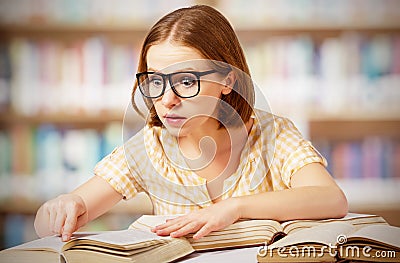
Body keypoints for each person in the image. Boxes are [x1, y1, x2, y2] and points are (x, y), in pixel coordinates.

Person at [34, 5, 348, 242]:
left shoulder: (273, 135)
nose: (167, 99)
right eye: (155, 80)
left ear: (228, 80)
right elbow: (61, 217)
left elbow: (331, 199)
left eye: (186, 81)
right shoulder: (150, 147)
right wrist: (62, 207)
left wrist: (234, 208)